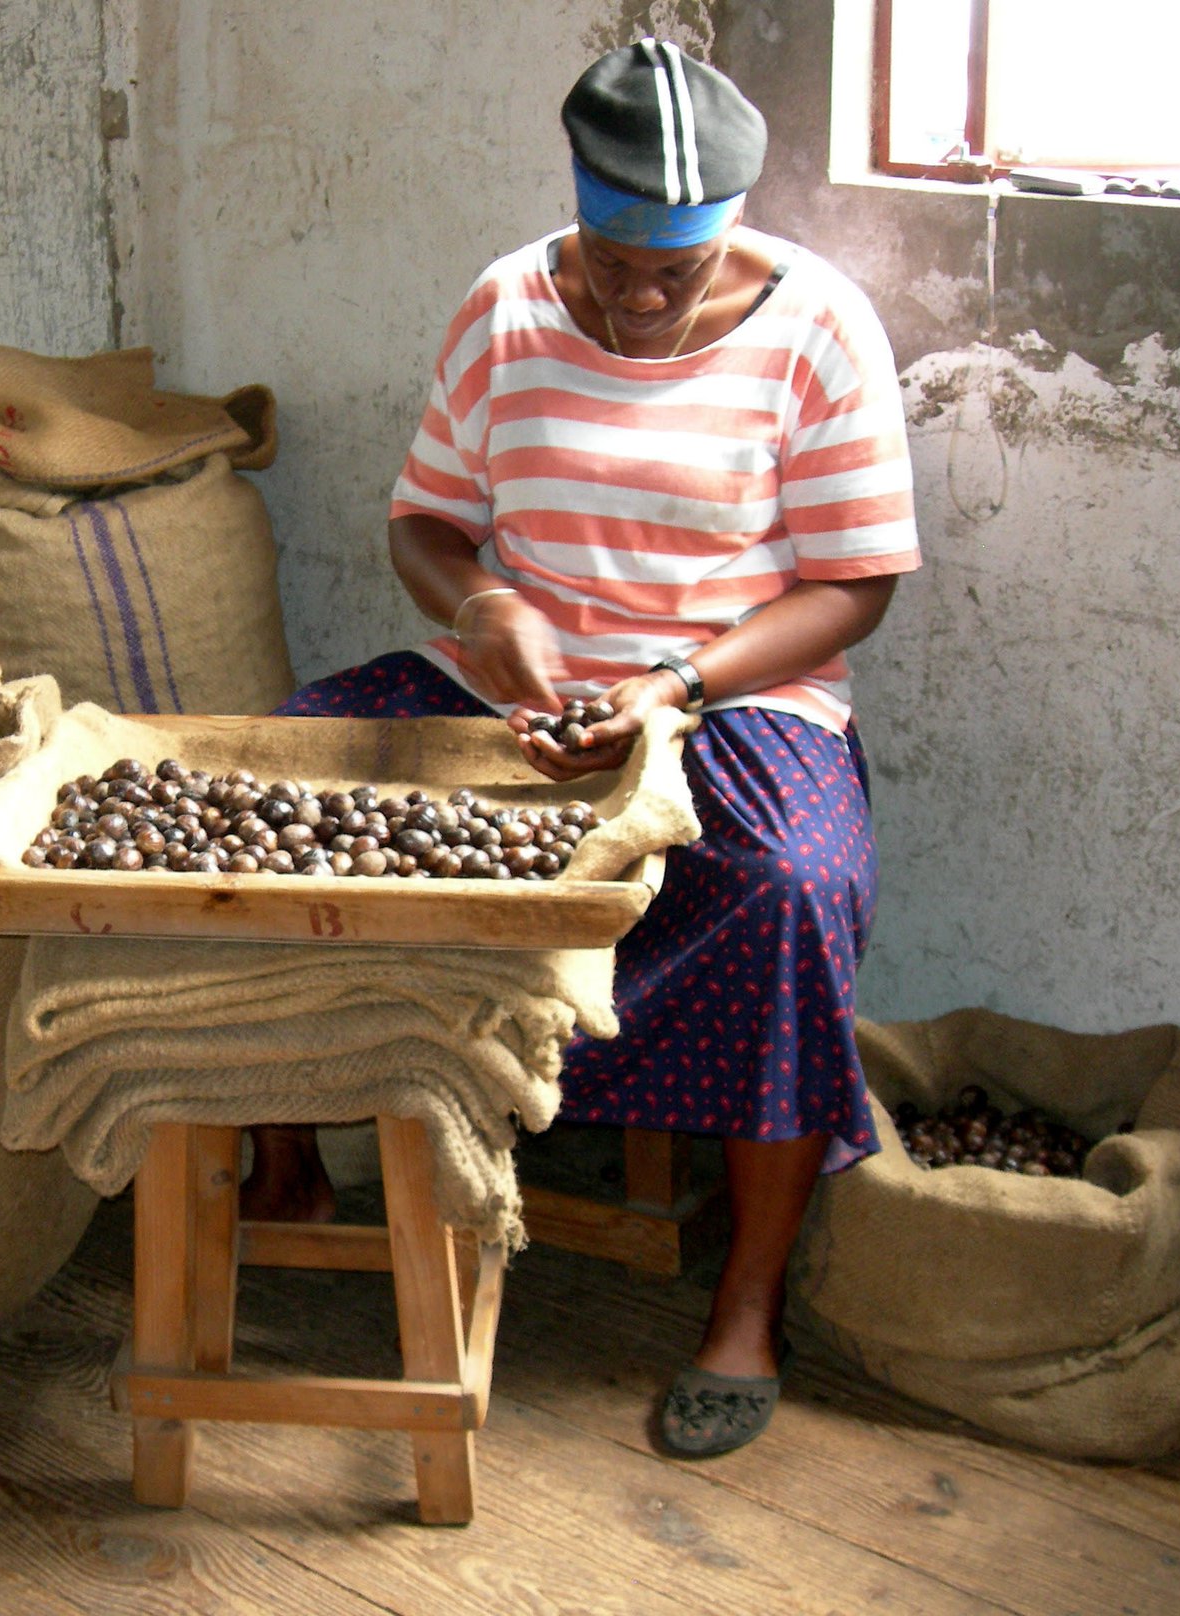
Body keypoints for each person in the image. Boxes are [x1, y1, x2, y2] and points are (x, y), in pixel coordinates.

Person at [245, 37, 920, 1458]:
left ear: (730, 225)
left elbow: (854, 583)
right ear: (581, 210)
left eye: (676, 270)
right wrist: (486, 605)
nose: (643, 296)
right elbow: (425, 523)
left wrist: (673, 684)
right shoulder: (507, 302)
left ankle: (747, 1305)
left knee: (792, 889)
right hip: (514, 685)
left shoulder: (819, 324)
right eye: (617, 261)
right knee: (274, 778)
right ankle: (289, 1154)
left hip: (735, 696)